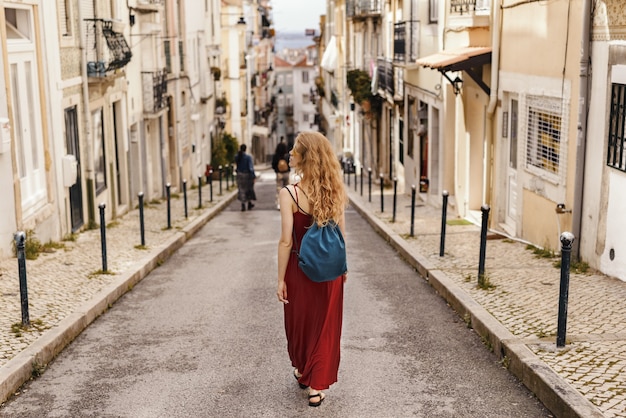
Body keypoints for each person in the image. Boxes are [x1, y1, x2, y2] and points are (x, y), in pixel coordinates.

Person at [276, 131, 348, 407]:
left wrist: (280, 278)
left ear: (305, 158)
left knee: (301, 323)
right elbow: (341, 232)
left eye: (295, 151)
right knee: (326, 326)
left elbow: (285, 240)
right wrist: (344, 266)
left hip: (300, 267)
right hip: (330, 268)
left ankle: (308, 374)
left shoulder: (290, 194)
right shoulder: (334, 190)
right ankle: (316, 383)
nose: (290, 154)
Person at [234, 144, 256, 211]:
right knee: (248, 189)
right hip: (247, 175)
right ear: (245, 149)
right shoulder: (248, 157)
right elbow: (250, 167)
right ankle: (249, 203)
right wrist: (253, 176)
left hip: (239, 174)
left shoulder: (237, 156)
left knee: (241, 189)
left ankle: (243, 204)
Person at [271, 141, 290, 210]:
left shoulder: (276, 156)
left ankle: (279, 204)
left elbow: (273, 165)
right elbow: (290, 164)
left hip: (279, 173)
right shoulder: (287, 155)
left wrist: (276, 170)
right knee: (288, 189)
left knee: (279, 189)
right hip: (286, 173)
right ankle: (287, 203)